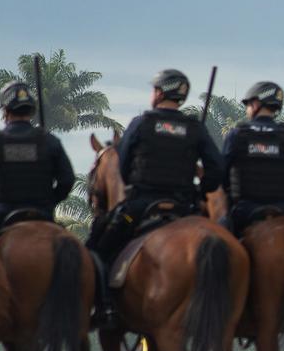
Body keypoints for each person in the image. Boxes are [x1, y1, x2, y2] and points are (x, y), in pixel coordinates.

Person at [88, 69, 224, 270]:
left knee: (98, 246)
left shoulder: (141, 123)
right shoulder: (195, 128)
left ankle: (104, 299)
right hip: (185, 207)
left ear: (160, 93)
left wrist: (131, 187)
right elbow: (216, 167)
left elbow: (122, 164)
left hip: (139, 207)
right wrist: (201, 191)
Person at [0, 82, 74, 236]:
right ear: (31, 111)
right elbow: (67, 180)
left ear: (5, 111)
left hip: (1, 219)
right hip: (43, 216)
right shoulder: (50, 141)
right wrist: (50, 200)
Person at [221, 81, 284, 237]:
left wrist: (230, 201)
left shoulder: (237, 135)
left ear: (256, 104)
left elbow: (220, 173)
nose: (247, 109)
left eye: (248, 105)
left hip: (244, 212)